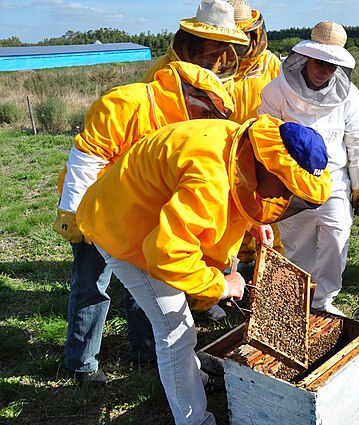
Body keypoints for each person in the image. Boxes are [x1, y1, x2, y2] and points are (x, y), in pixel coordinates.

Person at [75, 115, 332, 425]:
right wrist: (222, 286)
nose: (284, 199)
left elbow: (235, 189)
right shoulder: (209, 175)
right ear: (268, 163)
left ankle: (192, 377)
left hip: (152, 218)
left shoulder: (239, 147)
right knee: (174, 330)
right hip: (124, 230)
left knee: (178, 325)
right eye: (286, 188)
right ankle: (195, 420)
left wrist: (253, 219)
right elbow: (165, 253)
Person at [52, 61, 236, 384]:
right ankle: (82, 364)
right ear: (190, 95)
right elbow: (86, 157)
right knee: (92, 283)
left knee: (146, 281)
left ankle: (146, 351)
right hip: (93, 208)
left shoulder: (184, 122)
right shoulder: (126, 102)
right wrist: (72, 214)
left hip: (135, 213)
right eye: (207, 107)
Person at [258, 21, 359, 315]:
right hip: (291, 182)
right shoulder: (275, 91)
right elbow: (264, 139)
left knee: (338, 235)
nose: (325, 71)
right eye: (320, 63)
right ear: (306, 59)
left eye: (332, 66)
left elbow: (356, 138)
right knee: (297, 243)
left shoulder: (350, 95)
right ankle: (299, 301)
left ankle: (323, 300)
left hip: (334, 180)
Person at [228, 0, 285, 273]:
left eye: (246, 35)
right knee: (225, 215)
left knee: (265, 215)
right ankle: (218, 286)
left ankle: (266, 278)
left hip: (261, 150)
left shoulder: (271, 63)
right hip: (221, 149)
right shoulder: (214, 63)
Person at [142, 0, 249, 83]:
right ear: (197, 39)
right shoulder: (161, 69)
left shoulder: (223, 73)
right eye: (215, 43)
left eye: (225, 44)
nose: (220, 51)